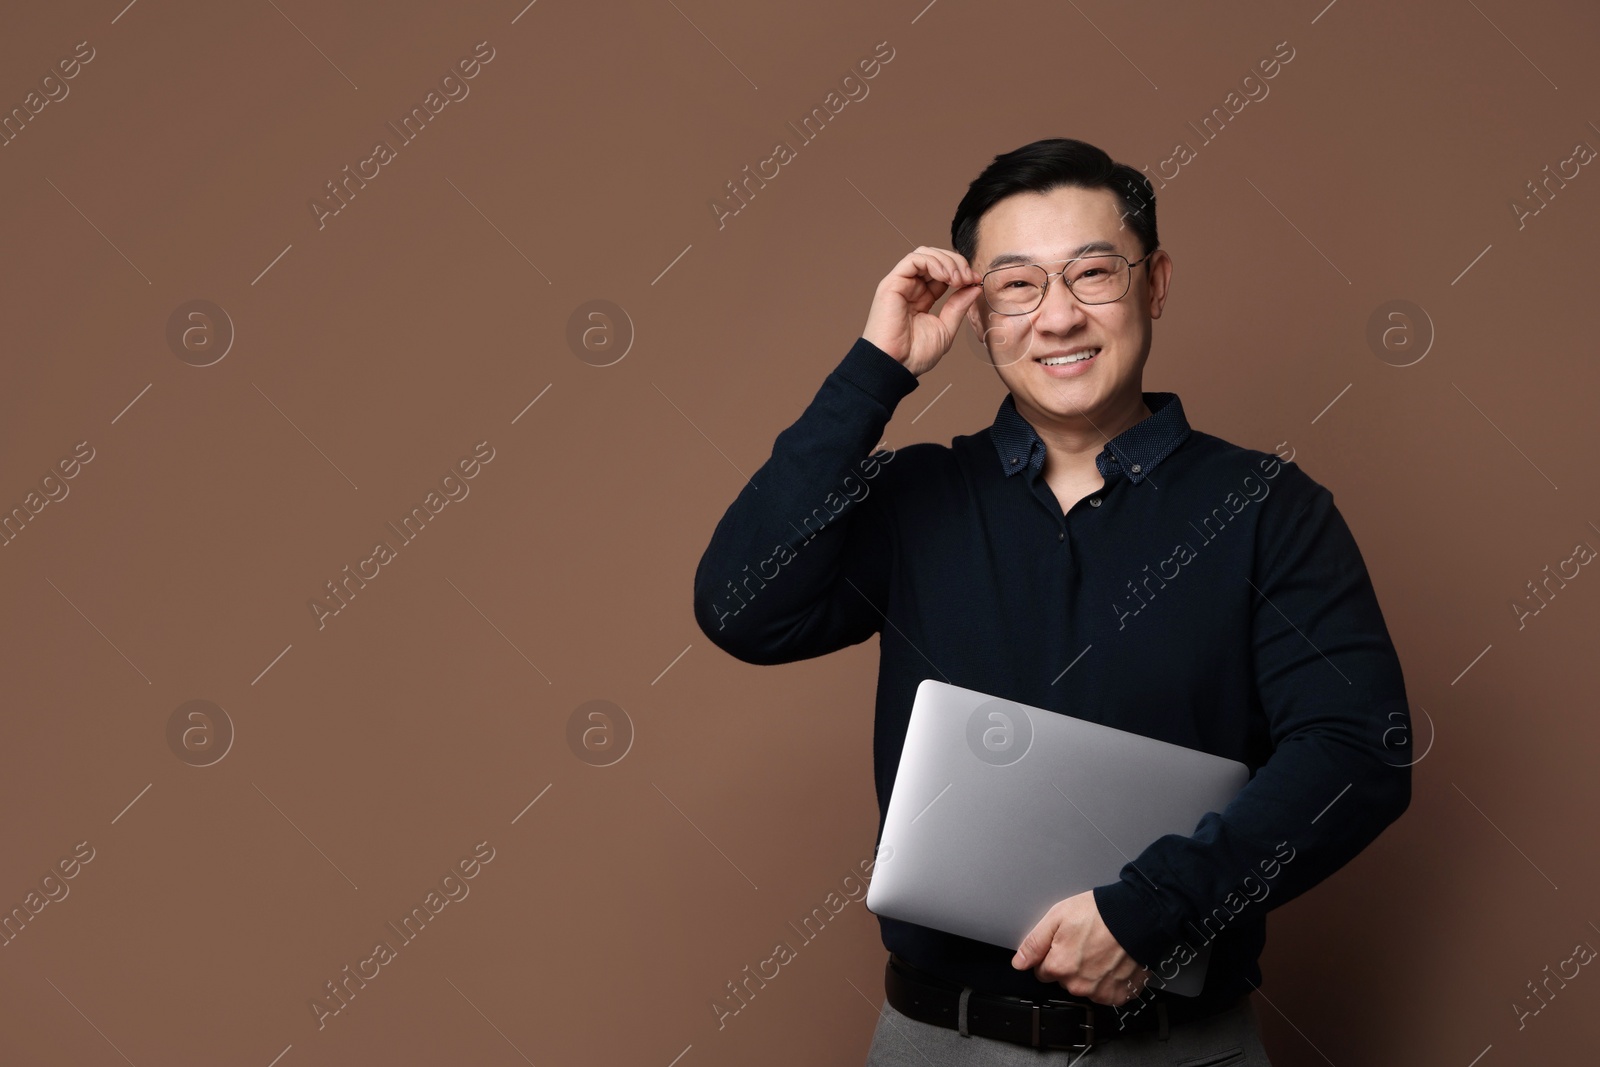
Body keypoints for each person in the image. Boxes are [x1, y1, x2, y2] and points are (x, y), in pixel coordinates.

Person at [691, 137, 1412, 1064]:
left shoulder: (1269, 507)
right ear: (980, 316)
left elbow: (1358, 754)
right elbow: (739, 606)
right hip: (936, 1042)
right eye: (1018, 286)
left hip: (1180, 1043)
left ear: (1154, 284)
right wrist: (877, 369)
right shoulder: (918, 497)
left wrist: (1154, 912)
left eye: (1092, 274)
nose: (1059, 318)